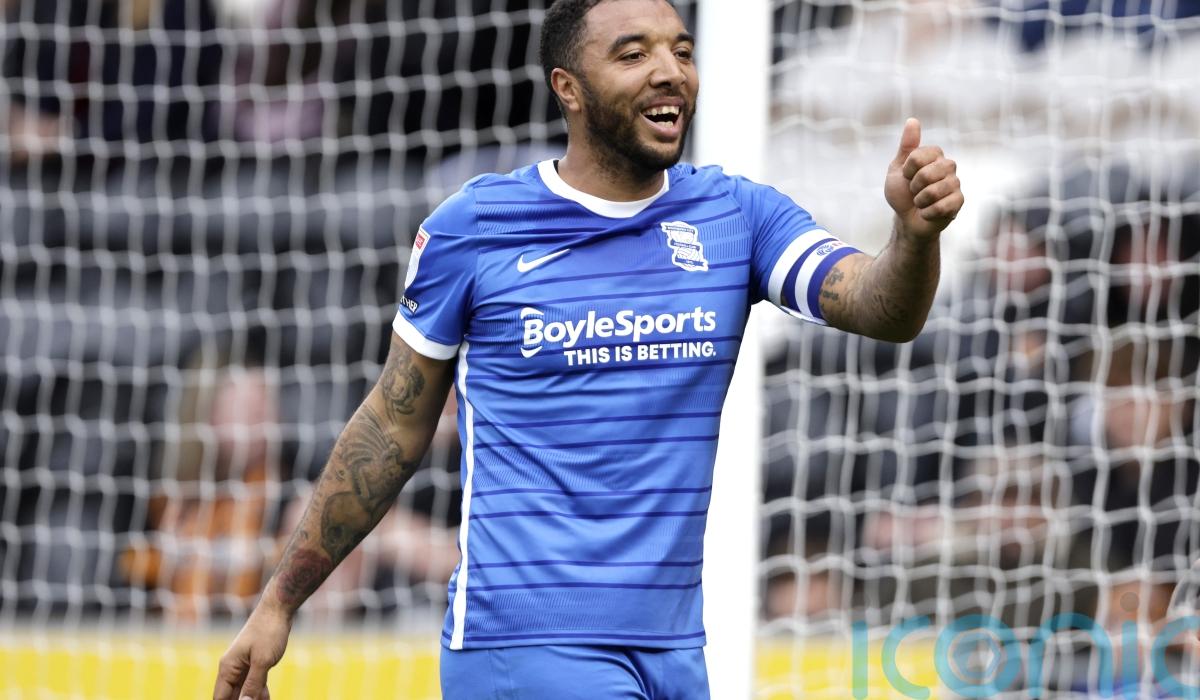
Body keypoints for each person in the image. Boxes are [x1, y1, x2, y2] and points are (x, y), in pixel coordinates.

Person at [212, 0, 963, 697]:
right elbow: (392, 424)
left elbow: (881, 309)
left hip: (673, 650)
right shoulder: (477, 226)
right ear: (568, 88)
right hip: (525, 643)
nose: (669, 71)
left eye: (681, 51)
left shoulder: (737, 216)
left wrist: (913, 236)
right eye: (633, 55)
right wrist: (279, 602)